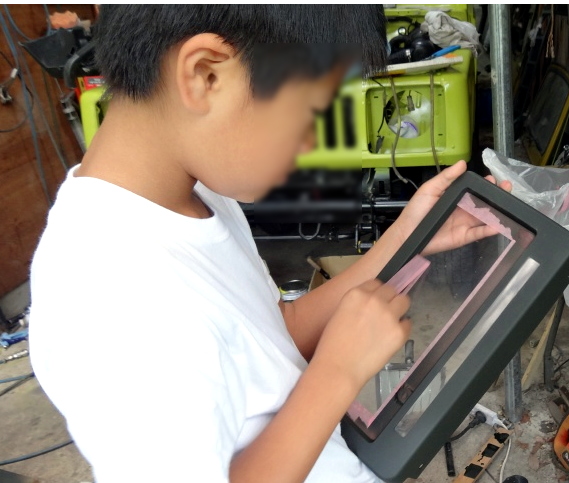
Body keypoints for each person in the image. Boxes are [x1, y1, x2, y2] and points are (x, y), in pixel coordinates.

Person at [29, 5, 509, 483]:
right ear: (205, 75)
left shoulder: (198, 196)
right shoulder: (108, 298)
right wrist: (338, 371)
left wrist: (408, 237)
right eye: (307, 113)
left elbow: (273, 337)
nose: (312, 144)